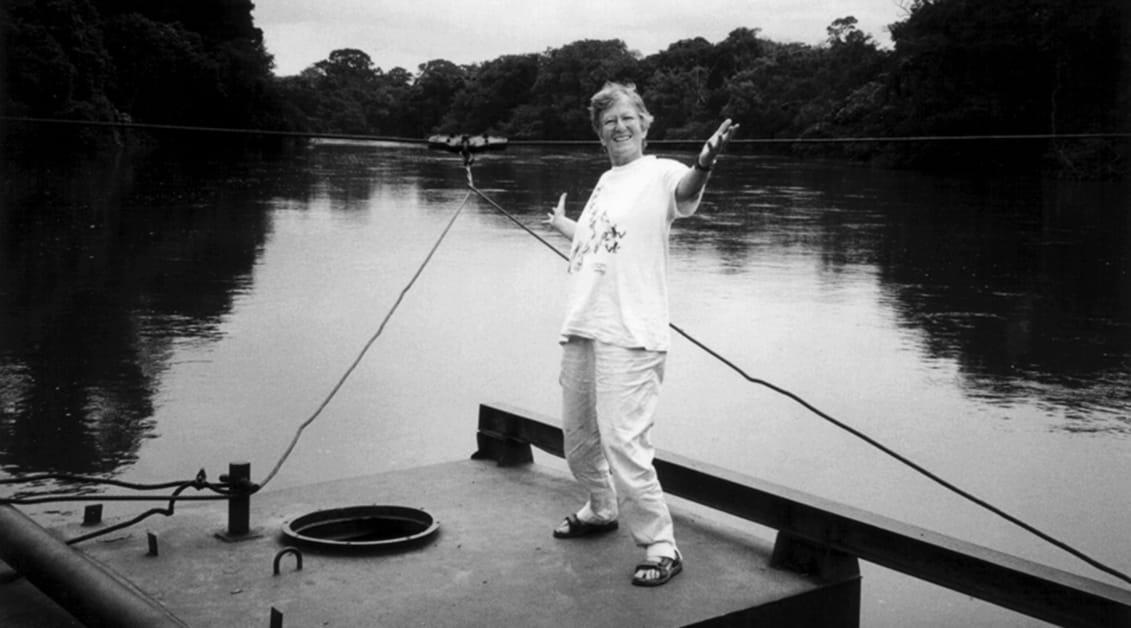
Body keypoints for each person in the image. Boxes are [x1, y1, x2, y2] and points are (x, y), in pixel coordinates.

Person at [544, 81, 738, 587]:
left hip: (631, 334)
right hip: (584, 325)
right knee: (579, 440)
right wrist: (565, 226)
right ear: (599, 133)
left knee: (624, 444)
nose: (620, 127)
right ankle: (601, 506)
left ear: (645, 124)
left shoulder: (661, 172)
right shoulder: (606, 181)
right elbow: (601, 242)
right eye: (609, 121)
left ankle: (660, 544)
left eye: (628, 117)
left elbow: (685, 191)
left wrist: (706, 163)